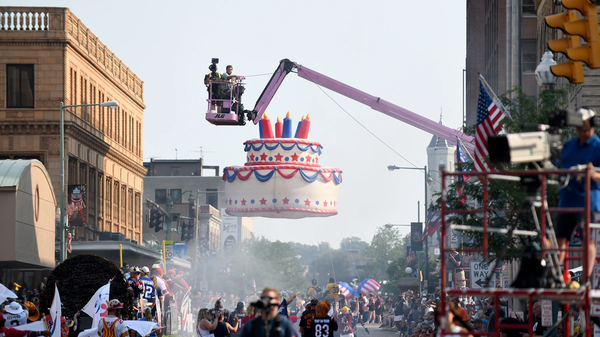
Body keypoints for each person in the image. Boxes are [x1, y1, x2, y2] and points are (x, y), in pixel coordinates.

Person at [556, 107, 600, 281]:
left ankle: (585, 279)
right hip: (566, 201)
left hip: (587, 202)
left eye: (582, 123)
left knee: (586, 240)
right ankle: (557, 276)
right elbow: (557, 167)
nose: (579, 127)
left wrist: (592, 174)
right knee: (559, 239)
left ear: (590, 123)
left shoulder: (597, 147)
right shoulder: (568, 145)